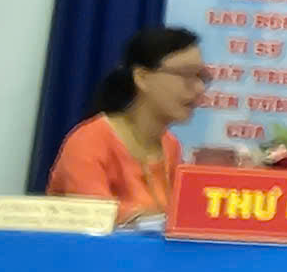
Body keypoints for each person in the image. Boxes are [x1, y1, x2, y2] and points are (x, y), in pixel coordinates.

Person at [46, 25, 205, 221]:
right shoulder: (89, 141)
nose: (199, 88)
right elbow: (93, 219)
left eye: (201, 77)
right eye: (186, 75)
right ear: (142, 78)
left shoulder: (170, 145)